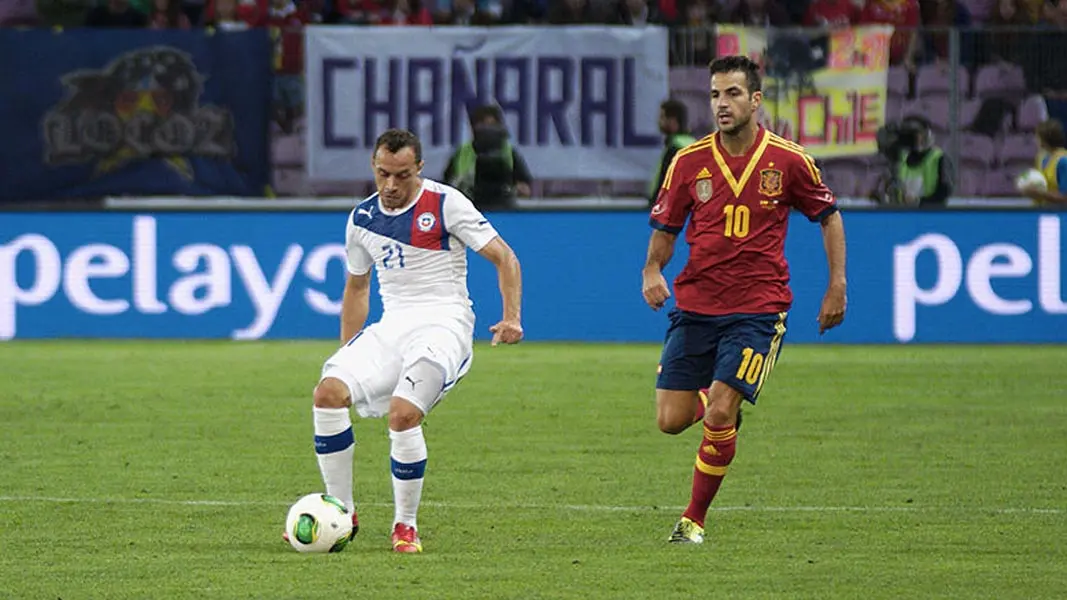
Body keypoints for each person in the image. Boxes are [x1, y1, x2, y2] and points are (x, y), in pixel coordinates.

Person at [641, 55, 847, 544]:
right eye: (714, 94)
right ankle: (722, 399)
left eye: (732, 93)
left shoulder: (790, 161)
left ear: (756, 100)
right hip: (695, 306)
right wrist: (652, 269)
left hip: (758, 308)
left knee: (717, 415)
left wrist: (836, 285)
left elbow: (829, 216)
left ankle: (692, 520)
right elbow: (666, 228)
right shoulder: (688, 162)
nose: (721, 104)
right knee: (670, 422)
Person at [290, 128, 524, 553]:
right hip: (392, 325)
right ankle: (342, 512)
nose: (391, 185)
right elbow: (357, 289)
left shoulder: (445, 203)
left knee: (402, 415)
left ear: (419, 167)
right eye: (383, 174)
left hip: (444, 325)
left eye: (402, 175)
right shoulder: (361, 218)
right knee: (327, 394)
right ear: (373, 168)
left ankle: (405, 526)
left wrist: (511, 317)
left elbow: (504, 257)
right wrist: (349, 350)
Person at [443, 104, 533, 211]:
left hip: (504, 208)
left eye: (491, 125)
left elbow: (525, 186)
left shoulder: (509, 152)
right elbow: (447, 185)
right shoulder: (462, 152)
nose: (487, 130)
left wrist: (518, 189)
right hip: (468, 208)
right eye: (482, 125)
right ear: (473, 127)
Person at [895, 115, 953, 207]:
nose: (917, 139)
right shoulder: (902, 159)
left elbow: (945, 191)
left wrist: (920, 201)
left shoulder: (939, 158)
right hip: (906, 215)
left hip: (932, 214)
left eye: (919, 134)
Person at [648, 99, 697, 207]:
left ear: (672, 120)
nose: (659, 122)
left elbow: (665, 183)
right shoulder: (692, 144)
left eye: (662, 117)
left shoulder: (676, 148)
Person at [1019, 119, 1067, 206]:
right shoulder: (1041, 157)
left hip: (1058, 214)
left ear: (1044, 139)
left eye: (1037, 137)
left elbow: (1065, 198)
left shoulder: (1063, 161)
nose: (1035, 140)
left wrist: (1040, 194)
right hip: (1039, 210)